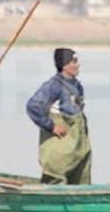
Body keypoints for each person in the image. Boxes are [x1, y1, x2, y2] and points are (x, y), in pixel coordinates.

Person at [26, 47, 92, 185]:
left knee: (82, 180)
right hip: (61, 148)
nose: (78, 64)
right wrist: (51, 126)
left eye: (77, 61)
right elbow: (33, 106)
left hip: (79, 146)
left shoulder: (77, 86)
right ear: (64, 65)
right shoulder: (53, 86)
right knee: (56, 175)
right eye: (74, 61)